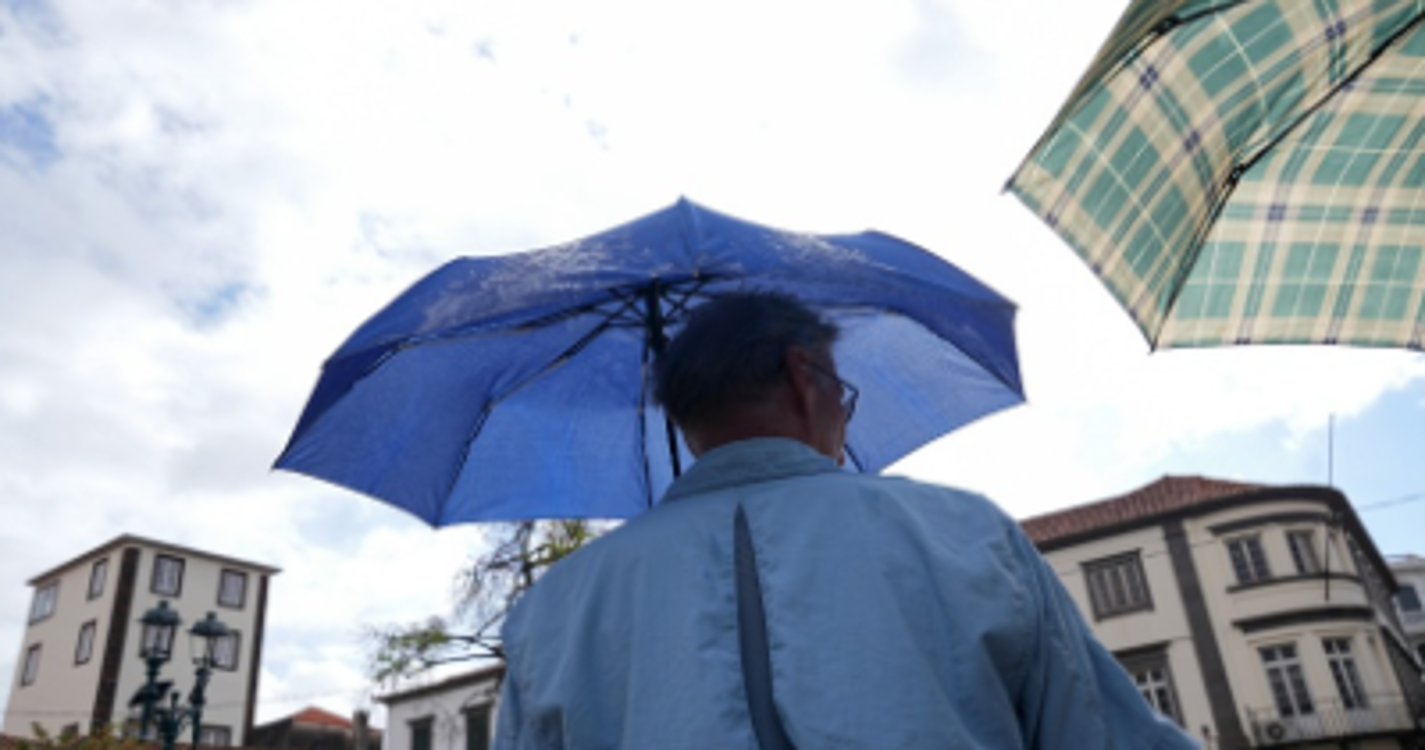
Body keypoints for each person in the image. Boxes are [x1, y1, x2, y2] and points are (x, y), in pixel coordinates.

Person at [494, 291, 1199, 749]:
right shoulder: (966, 536)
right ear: (806, 377)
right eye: (846, 391)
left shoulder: (550, 615)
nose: (846, 415)